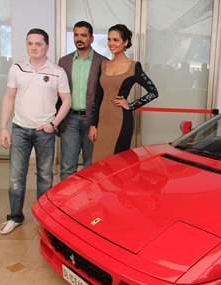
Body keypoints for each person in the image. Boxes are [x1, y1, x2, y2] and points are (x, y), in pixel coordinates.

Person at [0, 28, 71, 234]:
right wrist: (3, 127)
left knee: (45, 177)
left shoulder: (57, 71)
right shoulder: (17, 69)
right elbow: (9, 97)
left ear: (47, 45)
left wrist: (54, 124)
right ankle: (15, 217)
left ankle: (44, 219)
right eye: (30, 43)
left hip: (45, 132)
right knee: (16, 177)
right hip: (20, 129)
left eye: (38, 43)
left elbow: (67, 100)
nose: (34, 47)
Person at [89, 24, 158, 161]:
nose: (111, 43)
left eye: (116, 40)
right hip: (102, 122)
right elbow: (98, 96)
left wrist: (131, 105)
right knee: (99, 162)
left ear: (125, 42)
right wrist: (93, 125)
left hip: (121, 121)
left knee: (116, 163)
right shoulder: (104, 65)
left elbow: (153, 91)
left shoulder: (133, 67)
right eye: (109, 39)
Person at [58, 21, 108, 180]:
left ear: (91, 39)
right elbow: (58, 93)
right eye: (76, 35)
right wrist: (57, 120)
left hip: (91, 120)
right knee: (67, 166)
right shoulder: (63, 62)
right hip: (69, 119)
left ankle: (88, 202)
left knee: (91, 166)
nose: (79, 38)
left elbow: (105, 94)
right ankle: (65, 202)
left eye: (84, 35)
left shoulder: (103, 62)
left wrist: (98, 123)